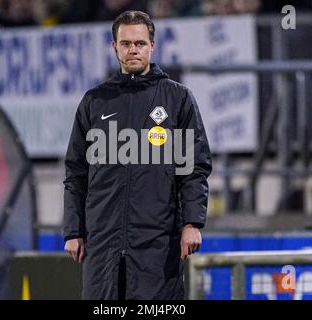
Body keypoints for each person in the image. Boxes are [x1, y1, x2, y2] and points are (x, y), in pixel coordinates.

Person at [63, 10, 212, 300]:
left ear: (152, 47)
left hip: (157, 243)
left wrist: (192, 224)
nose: (133, 49)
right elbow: (75, 173)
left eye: (140, 43)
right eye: (126, 43)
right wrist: (73, 230)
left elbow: (193, 167)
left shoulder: (177, 98)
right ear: (114, 47)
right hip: (102, 242)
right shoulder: (94, 101)